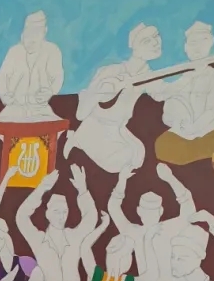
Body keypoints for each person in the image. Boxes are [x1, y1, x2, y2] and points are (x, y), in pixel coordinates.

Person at [65, 22, 162, 173]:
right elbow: (81, 113)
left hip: (119, 129)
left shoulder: (149, 76)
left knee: (138, 156)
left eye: (156, 37)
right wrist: (101, 91)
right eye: (146, 40)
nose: (155, 43)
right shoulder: (110, 71)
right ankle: (78, 140)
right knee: (119, 162)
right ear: (133, 46)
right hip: (95, 127)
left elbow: (162, 93)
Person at [150, 21, 214, 166]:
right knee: (162, 146)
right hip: (183, 132)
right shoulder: (181, 76)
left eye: (203, 41)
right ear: (186, 47)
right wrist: (187, 78)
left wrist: (195, 127)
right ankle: (194, 157)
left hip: (210, 130)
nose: (198, 47)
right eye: (193, 42)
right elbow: (160, 97)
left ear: (210, 43)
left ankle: (195, 159)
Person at [0, 11, 65, 124]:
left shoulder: (52, 51)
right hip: (14, 108)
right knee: (5, 126)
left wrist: (50, 91)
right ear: (23, 35)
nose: (31, 40)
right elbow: (1, 77)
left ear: (44, 32)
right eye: (28, 34)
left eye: (36, 34)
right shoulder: (14, 51)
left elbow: (57, 77)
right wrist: (5, 95)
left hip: (40, 109)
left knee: (49, 126)